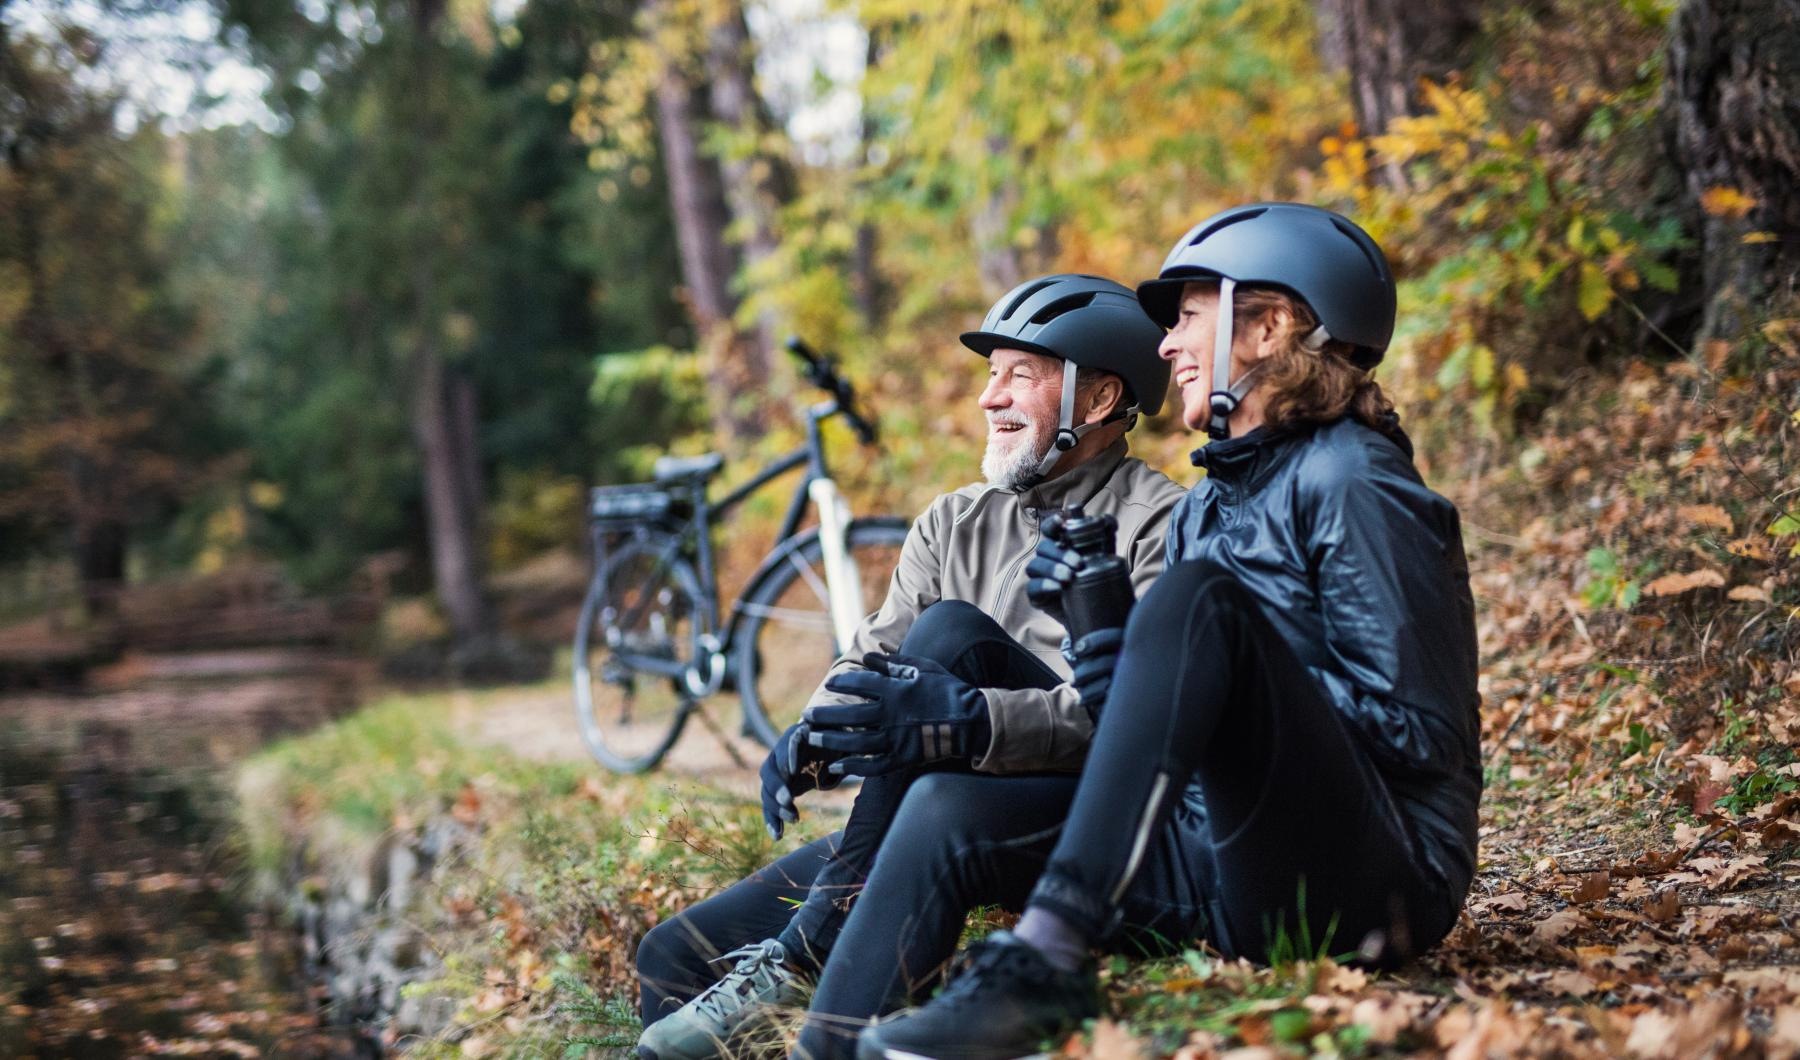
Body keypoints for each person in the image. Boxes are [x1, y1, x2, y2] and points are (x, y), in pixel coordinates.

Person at [841, 203, 1483, 1060]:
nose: (1166, 344)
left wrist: (1237, 656)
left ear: (1269, 327)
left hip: (1380, 879)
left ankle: (1050, 957)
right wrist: (1107, 632)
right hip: (1219, 856)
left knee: (1198, 599)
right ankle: (827, 1044)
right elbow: (1152, 744)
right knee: (947, 810)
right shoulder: (1208, 505)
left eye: (1186, 316)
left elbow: (1423, 737)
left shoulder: (1355, 481)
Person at [634, 275, 1186, 1060]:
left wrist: (969, 721)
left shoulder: (1160, 522)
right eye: (988, 375)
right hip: (925, 807)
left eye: (1019, 375)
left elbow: (1142, 714)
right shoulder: (952, 519)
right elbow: (875, 651)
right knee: (672, 953)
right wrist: (818, 729)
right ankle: (803, 958)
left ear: (1098, 402)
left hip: (1057, 813)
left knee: (953, 636)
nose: (989, 398)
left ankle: (811, 950)